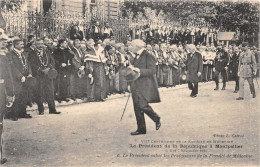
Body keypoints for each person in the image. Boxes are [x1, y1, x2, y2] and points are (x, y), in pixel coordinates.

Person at [126, 39, 161, 135]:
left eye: (131, 45)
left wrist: (138, 70)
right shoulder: (136, 56)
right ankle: (141, 129)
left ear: (137, 46)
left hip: (144, 85)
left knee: (143, 105)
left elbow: (152, 71)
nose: (130, 47)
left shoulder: (148, 55)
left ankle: (156, 118)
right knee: (137, 107)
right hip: (135, 84)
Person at [27, 38, 60, 115]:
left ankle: (52, 109)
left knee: (50, 92)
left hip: (48, 74)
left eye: (42, 43)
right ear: (35, 45)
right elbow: (32, 64)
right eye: (38, 44)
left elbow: (52, 61)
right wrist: (41, 70)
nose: (40, 45)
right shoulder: (32, 53)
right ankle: (41, 109)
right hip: (39, 75)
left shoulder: (47, 52)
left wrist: (49, 68)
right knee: (39, 92)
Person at [7, 39, 32, 120]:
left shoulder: (23, 53)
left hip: (25, 77)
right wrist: (20, 76)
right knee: (17, 96)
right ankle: (14, 115)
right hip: (16, 79)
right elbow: (12, 67)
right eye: (21, 44)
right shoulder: (10, 54)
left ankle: (22, 113)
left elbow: (27, 64)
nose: (23, 45)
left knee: (24, 95)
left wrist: (29, 73)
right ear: (16, 45)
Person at [0, 30, 15, 164]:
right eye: (1, 41)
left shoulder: (4, 56)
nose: (4, 43)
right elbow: (8, 78)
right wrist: (10, 94)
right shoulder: (3, 57)